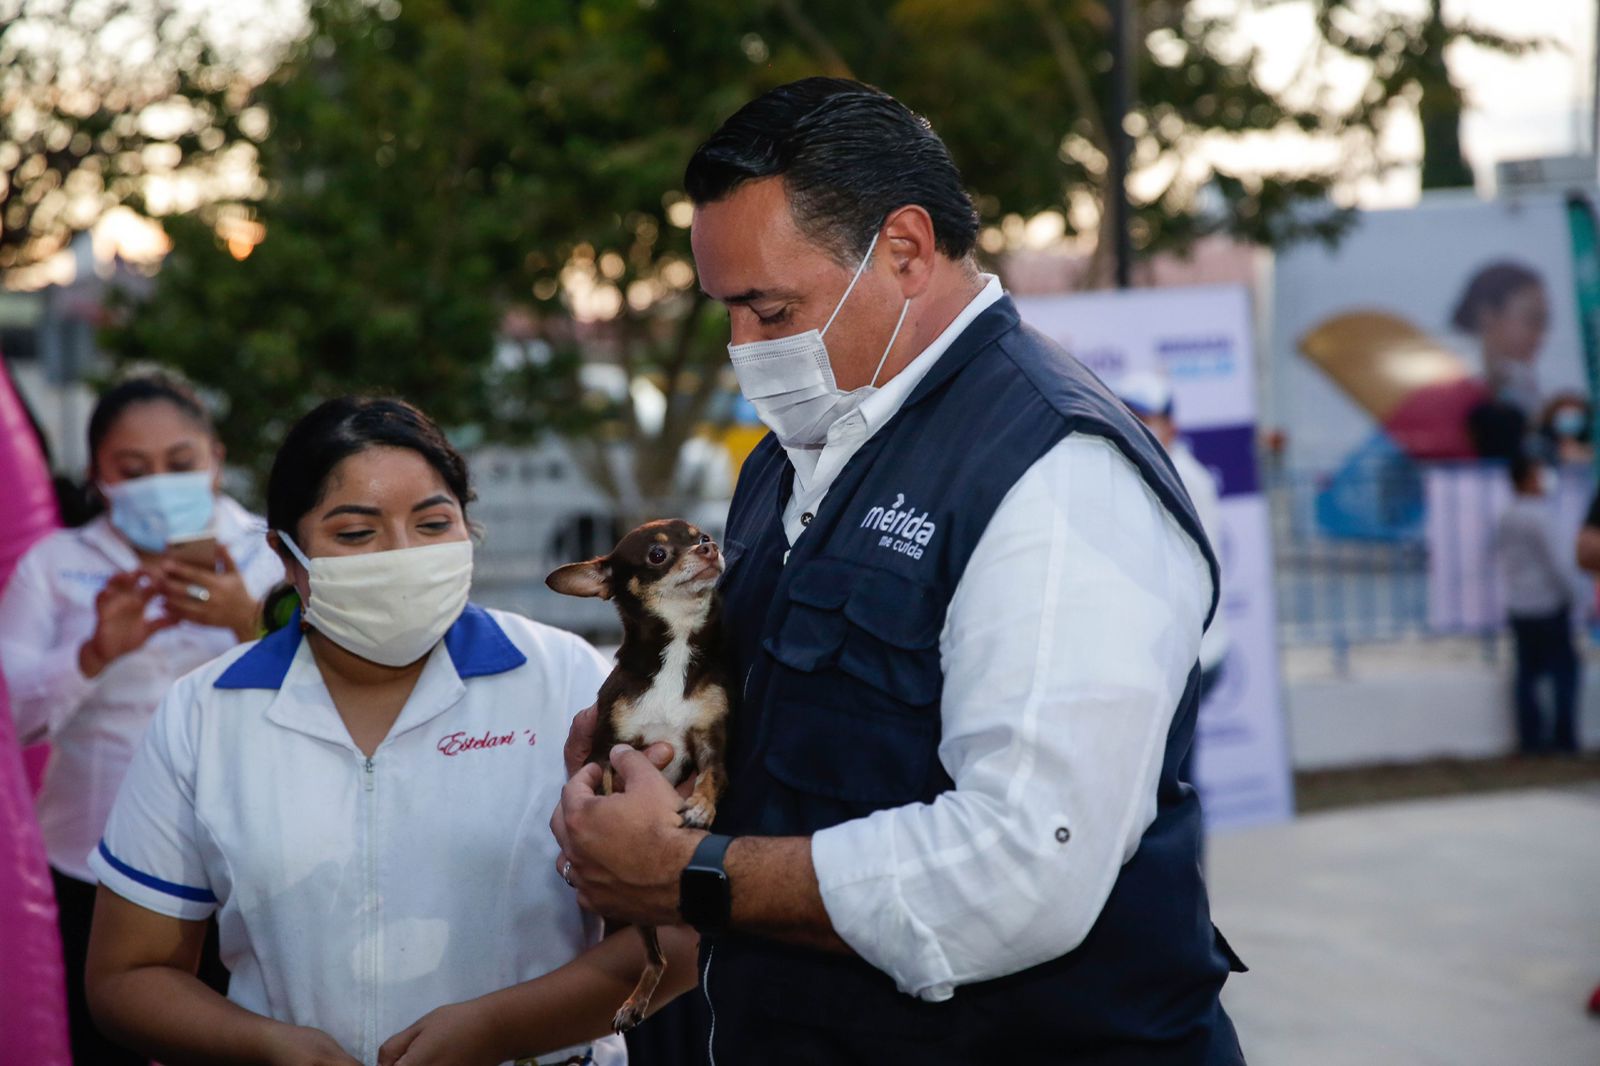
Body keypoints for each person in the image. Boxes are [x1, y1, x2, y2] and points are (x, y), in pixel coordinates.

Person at [552, 77, 1245, 1064]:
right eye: (726, 311)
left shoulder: (1055, 475)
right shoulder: (795, 454)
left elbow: (1019, 869)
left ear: (907, 250)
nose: (742, 346)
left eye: (768, 307)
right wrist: (646, 748)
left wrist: (687, 870)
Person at [83, 396, 697, 1066]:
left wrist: (499, 1030)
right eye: (355, 534)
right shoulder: (205, 714)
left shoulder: (571, 685)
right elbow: (128, 976)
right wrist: (268, 1046)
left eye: (433, 523)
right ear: (287, 557)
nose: (402, 555)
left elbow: (683, 931)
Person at [0, 368, 283, 1065]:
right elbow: (9, 720)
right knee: (103, 1036)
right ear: (98, 476)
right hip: (89, 858)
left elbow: (337, 691)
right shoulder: (54, 564)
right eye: (133, 468)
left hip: (245, 860)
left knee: (242, 1040)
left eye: (180, 463)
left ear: (216, 461)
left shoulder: (273, 556)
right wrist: (92, 654)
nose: (159, 482)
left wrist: (248, 622)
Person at [1115, 370, 1231, 714]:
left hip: (1187, 657)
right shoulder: (1154, 470)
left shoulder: (1177, 477)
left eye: (1144, 417)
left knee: (1169, 764)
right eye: (1126, 414)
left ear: (1171, 427)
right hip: (1182, 655)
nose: (1133, 425)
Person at [1494, 452, 1584, 754]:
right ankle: (1564, 739)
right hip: (1547, 605)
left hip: (1520, 605)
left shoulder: (1508, 515)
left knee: (1527, 675)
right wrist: (1578, 597)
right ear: (1529, 479)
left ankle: (1530, 740)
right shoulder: (1541, 516)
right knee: (1564, 673)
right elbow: (1561, 563)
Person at [1451, 260, 1550, 421]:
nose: (1541, 334)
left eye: (1544, 322)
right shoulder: (1450, 381)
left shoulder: (1518, 383)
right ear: (1487, 316)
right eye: (1532, 320)